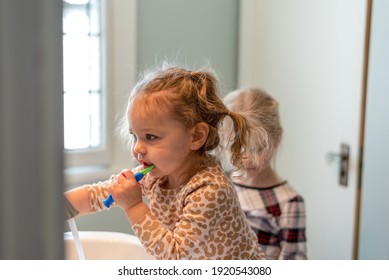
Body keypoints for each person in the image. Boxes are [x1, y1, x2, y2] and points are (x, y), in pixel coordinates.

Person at [65, 64, 266, 260]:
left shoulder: (211, 189)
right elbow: (97, 195)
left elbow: (175, 256)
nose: (137, 148)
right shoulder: (157, 174)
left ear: (196, 137)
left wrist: (134, 206)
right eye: (134, 136)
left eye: (150, 137)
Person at [222, 87, 307, 260]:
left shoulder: (287, 204)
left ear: (277, 139)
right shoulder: (217, 183)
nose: (246, 159)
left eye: (258, 149)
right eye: (236, 148)